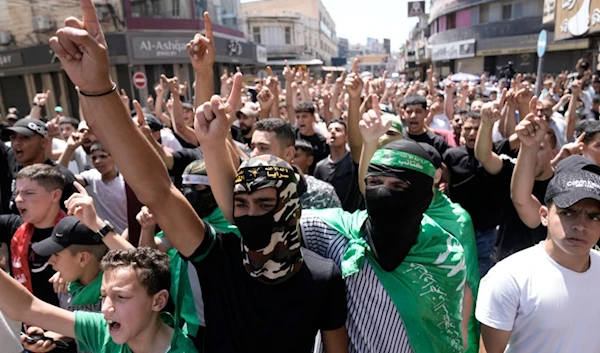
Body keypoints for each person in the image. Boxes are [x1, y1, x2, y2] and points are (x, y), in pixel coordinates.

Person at [50, 5, 349, 350]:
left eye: (265, 203)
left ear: (293, 207)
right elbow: (158, 191)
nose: (251, 214)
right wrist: (97, 88)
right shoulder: (219, 257)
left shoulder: (324, 275)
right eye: (241, 203)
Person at [302, 101, 466, 352]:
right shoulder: (336, 233)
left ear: (423, 195)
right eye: (375, 182)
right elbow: (254, 216)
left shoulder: (443, 254)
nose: (382, 194)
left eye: (398, 186)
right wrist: (217, 140)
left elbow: (446, 333)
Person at [477, 158, 600, 353]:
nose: (580, 225)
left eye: (593, 216)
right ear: (544, 215)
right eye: (567, 212)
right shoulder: (509, 276)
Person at [0, 247, 198, 353]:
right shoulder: (103, 330)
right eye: (103, 296)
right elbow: (27, 307)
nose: (105, 310)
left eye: (121, 297)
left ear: (158, 301)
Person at [476, 100, 555, 262]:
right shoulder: (512, 168)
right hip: (503, 257)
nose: (532, 150)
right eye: (527, 145)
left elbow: (522, 200)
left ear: (553, 153)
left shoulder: (560, 185)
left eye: (539, 147)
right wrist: (486, 124)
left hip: (538, 264)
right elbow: (484, 156)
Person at [420, 144, 479, 353]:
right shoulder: (395, 211)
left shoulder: (458, 220)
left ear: (437, 176)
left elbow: (468, 281)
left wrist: (462, 334)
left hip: (445, 318)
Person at [443, 110, 515, 276]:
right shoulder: (451, 155)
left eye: (477, 128)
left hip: (487, 230)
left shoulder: (496, 151)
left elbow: (519, 137)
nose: (472, 133)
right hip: (459, 229)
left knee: (482, 275)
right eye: (468, 128)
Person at [24, 216, 110, 353]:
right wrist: (47, 337)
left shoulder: (115, 293)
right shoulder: (65, 285)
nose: (50, 260)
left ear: (83, 258)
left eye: (57, 254)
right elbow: (77, 329)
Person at [251, 118, 341, 210]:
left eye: (263, 148)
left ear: (289, 154)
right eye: (252, 147)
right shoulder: (245, 192)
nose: (253, 154)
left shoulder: (321, 194)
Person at [2, 118, 77, 213]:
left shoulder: (62, 177)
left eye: (25, 138)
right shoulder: (10, 161)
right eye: (13, 137)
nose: (17, 143)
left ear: (43, 142)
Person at [73, 143, 128, 234]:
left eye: (103, 156)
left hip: (126, 236)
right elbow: (66, 178)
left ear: (114, 157)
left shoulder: (125, 182)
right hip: (103, 237)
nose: (98, 161)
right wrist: (70, 149)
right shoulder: (92, 176)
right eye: (94, 158)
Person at [314, 118, 364, 212]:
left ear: (346, 138)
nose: (333, 132)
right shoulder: (320, 167)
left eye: (338, 130)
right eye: (330, 130)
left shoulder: (354, 160)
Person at [294, 100, 329, 174]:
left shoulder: (322, 142)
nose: (301, 120)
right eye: (298, 117)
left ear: (313, 118)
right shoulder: (292, 136)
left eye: (304, 116)